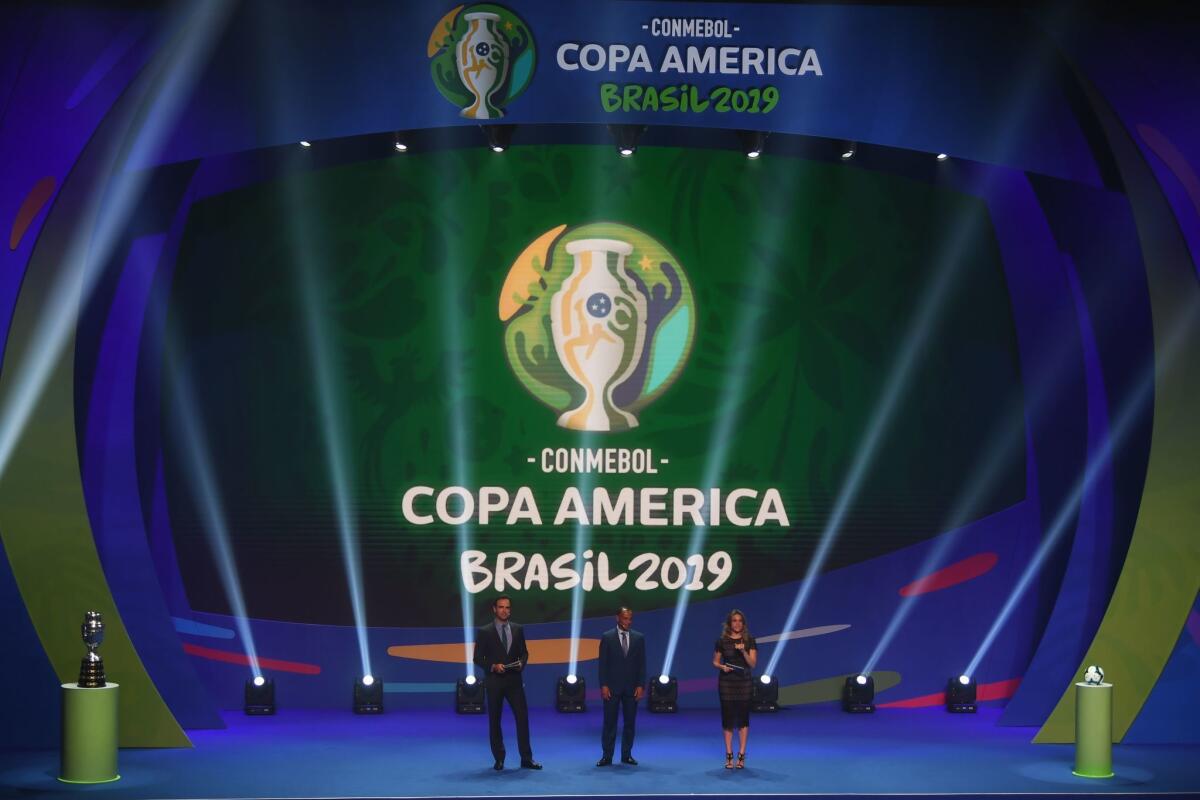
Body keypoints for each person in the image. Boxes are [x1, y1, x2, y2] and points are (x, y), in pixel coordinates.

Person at [473, 595, 542, 771]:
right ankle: (499, 758)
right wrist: (493, 666)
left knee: (522, 719)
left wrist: (522, 663)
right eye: (501, 607)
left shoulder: (518, 629)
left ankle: (526, 758)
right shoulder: (485, 631)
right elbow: (477, 658)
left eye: (508, 607)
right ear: (494, 609)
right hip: (495, 682)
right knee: (495, 721)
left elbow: (524, 653)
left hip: (514, 682)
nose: (505, 610)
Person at [596, 606, 646, 767]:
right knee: (610, 723)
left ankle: (627, 755)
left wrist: (640, 685)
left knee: (630, 723)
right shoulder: (607, 637)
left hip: (632, 688)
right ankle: (607, 756)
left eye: (630, 618)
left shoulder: (639, 638)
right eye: (625, 618)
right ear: (617, 618)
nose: (628, 621)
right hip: (612, 687)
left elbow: (642, 664)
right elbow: (602, 664)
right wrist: (604, 685)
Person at [712, 608, 757, 769]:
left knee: (743, 718)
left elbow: (752, 664)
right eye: (734, 620)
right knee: (728, 718)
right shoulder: (721, 641)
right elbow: (715, 662)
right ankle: (729, 754)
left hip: (744, 682)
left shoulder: (750, 640)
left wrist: (743, 651)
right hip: (727, 683)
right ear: (729, 624)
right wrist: (722, 667)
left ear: (743, 624)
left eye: (740, 620)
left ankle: (742, 754)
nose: (737, 623)